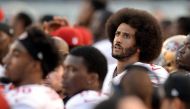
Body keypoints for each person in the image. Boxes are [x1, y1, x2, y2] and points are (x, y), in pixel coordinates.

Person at [102, 8, 168, 95]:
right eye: (117, 34)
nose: (118, 40)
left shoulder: (152, 73)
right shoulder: (106, 70)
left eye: (126, 36)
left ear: (140, 44)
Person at [3, 27, 64, 108]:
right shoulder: (50, 96)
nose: (5, 60)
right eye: (9, 52)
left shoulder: (26, 102)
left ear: (35, 65)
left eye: (16, 54)